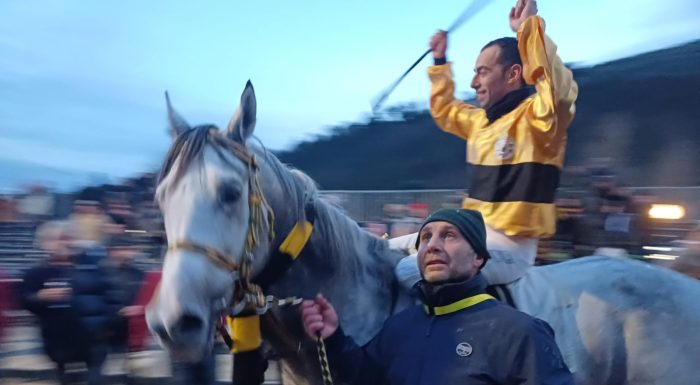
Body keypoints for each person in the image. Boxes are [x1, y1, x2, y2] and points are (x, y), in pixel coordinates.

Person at [397, 0, 578, 286]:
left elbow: (559, 90)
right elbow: (444, 110)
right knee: (381, 250)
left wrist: (529, 29)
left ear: (513, 74)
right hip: (468, 234)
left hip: (511, 249)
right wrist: (440, 61)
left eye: (482, 71)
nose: (473, 82)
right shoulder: (479, 121)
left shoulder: (541, 119)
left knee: (408, 271)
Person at [301, 208, 574, 384]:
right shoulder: (400, 326)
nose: (432, 246)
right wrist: (334, 338)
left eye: (449, 236)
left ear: (478, 257)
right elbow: (365, 378)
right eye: (425, 238)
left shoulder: (520, 332)